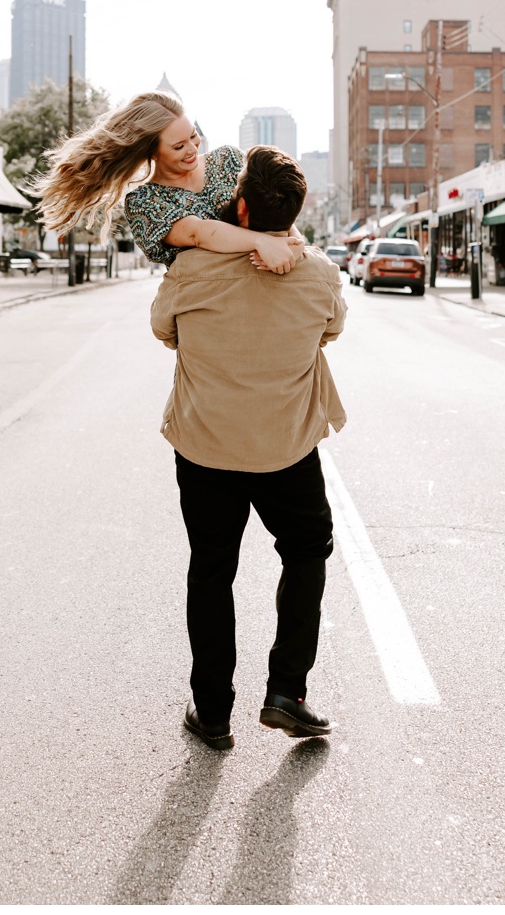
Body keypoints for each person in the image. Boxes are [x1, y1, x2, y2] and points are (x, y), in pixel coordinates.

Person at [151, 145, 348, 748]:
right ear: (295, 211)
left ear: (238, 207)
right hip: (286, 450)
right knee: (307, 549)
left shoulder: (190, 269)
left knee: (212, 570)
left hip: (205, 446)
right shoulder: (319, 273)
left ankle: (212, 712)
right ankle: (287, 690)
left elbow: (164, 329)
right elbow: (331, 329)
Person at [33, 92, 307, 276]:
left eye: (193, 136)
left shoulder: (228, 159)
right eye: (178, 146)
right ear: (152, 152)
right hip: (208, 310)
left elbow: (278, 214)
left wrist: (294, 244)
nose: (191, 149)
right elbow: (198, 233)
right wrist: (262, 242)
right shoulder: (145, 202)